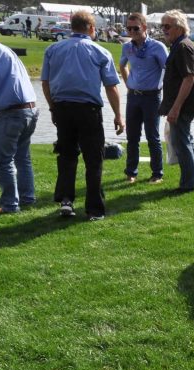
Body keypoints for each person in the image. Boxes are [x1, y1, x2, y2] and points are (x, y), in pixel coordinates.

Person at [41, 10, 124, 220]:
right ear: (92, 28)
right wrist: (118, 115)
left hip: (62, 108)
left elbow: (46, 82)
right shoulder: (100, 52)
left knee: (67, 155)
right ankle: (94, 209)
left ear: (72, 27)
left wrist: (52, 108)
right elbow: (111, 87)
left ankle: (66, 201)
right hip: (88, 110)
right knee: (93, 159)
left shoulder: (53, 49)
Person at [0, 36, 39, 214]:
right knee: (22, 157)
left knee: (2, 160)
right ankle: (27, 197)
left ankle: (9, 204)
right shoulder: (1, 48)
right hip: (29, 109)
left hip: (11, 113)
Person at [159, 9, 194, 193]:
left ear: (179, 28)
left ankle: (188, 183)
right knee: (186, 139)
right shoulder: (181, 45)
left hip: (183, 104)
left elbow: (189, 78)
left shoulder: (182, 47)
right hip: (183, 103)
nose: (164, 30)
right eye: (162, 26)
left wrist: (176, 107)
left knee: (182, 142)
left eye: (167, 26)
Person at [119, 12, 168, 184]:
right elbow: (122, 65)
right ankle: (131, 173)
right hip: (133, 97)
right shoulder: (127, 47)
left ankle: (157, 174)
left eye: (135, 28)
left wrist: (163, 89)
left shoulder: (158, 47)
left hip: (152, 97)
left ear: (145, 27)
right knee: (132, 136)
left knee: (152, 136)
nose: (131, 31)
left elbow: (167, 70)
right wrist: (128, 84)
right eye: (128, 28)